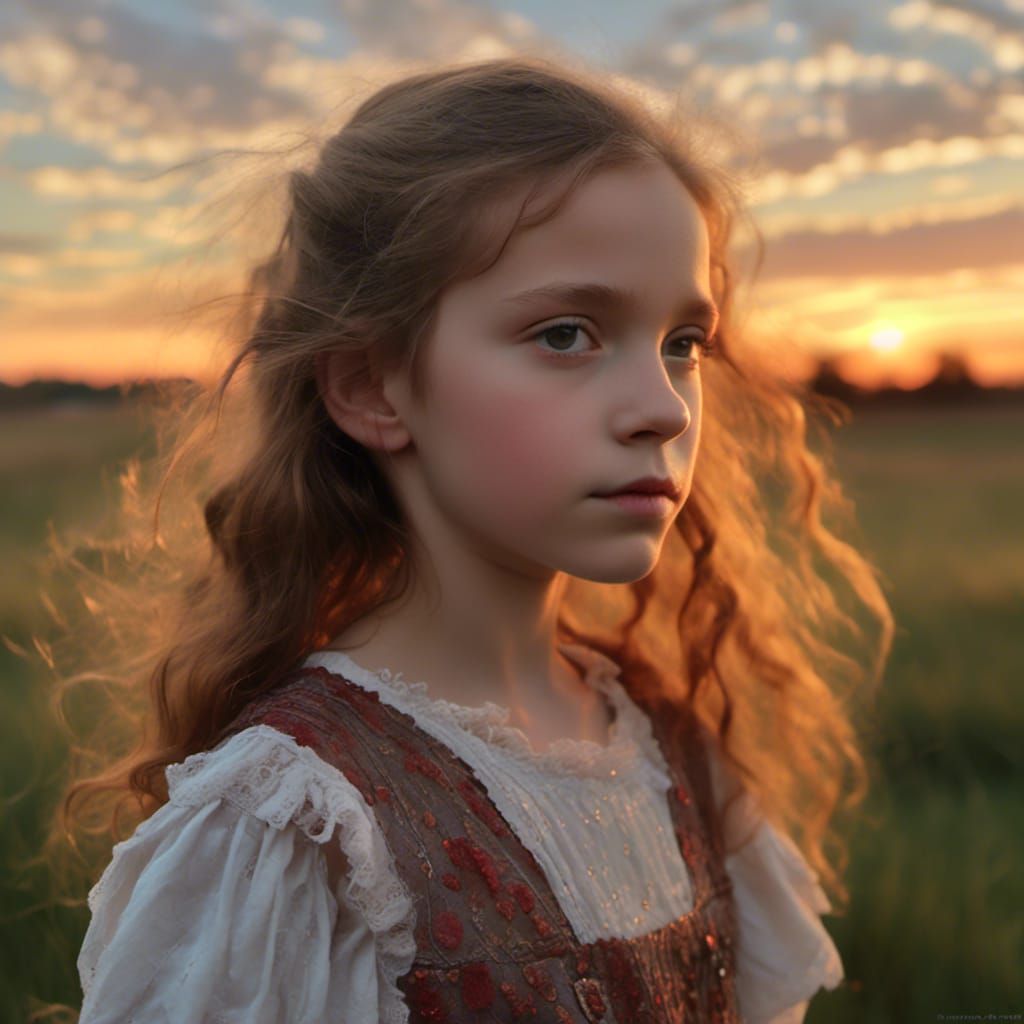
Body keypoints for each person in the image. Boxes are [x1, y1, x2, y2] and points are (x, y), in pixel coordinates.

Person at [57, 55, 892, 1023]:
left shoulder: (672, 751)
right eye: (567, 333)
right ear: (372, 385)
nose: (662, 408)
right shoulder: (300, 825)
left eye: (682, 343)